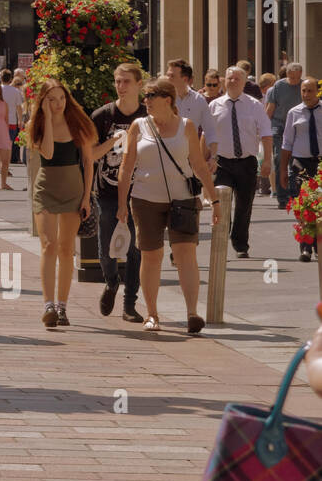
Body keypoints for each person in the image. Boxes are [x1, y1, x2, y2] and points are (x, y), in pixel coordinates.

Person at [115, 78, 220, 333]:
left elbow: (197, 164)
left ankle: (192, 313)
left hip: (182, 200)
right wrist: (121, 205)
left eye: (151, 96)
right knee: (151, 257)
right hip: (145, 200)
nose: (146, 101)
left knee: (186, 255)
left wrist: (214, 199)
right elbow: (126, 168)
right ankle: (152, 314)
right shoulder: (138, 126)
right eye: (146, 96)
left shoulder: (186, 126)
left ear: (168, 99)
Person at [27, 77, 95, 329]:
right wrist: (45, 115)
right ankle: (48, 305)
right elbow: (48, 153)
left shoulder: (78, 123)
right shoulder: (37, 125)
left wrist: (87, 196)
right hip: (46, 189)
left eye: (62, 98)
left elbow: (88, 162)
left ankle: (62, 306)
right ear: (44, 101)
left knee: (67, 249)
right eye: (52, 100)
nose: (58, 104)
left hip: (73, 190)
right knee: (48, 245)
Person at [90, 62, 147, 324]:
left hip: (141, 192)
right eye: (117, 81)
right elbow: (91, 155)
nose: (121, 86)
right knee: (106, 250)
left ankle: (130, 304)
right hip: (107, 191)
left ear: (139, 85)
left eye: (126, 81)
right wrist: (116, 139)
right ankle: (111, 282)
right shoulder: (103, 116)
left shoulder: (148, 116)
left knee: (136, 250)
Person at [207, 66, 273, 259]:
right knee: (221, 202)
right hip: (222, 163)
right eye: (229, 78)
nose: (233, 81)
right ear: (223, 81)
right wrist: (205, 159)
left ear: (244, 82)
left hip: (247, 162)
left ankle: (240, 244)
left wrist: (267, 160)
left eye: (237, 78)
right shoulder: (214, 105)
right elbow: (208, 135)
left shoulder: (255, 105)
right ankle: (220, 241)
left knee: (244, 205)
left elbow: (266, 134)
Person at [280, 77, 322, 262]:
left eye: (309, 91)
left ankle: (318, 245)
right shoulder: (294, 113)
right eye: (303, 91)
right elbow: (287, 142)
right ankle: (305, 247)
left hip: (320, 163)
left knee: (319, 207)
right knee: (303, 207)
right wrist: (282, 170)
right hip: (300, 164)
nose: (306, 94)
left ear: (317, 92)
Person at [266, 63, 304, 211]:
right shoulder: (278, 86)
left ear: (300, 74)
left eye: (296, 77)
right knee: (280, 158)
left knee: (296, 160)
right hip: (279, 125)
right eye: (290, 77)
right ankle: (282, 198)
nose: (293, 80)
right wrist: (263, 129)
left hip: (297, 125)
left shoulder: (304, 86)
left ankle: (294, 194)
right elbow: (270, 109)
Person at [1, 69, 24, 166]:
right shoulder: (15, 91)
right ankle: (6, 165)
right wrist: (20, 120)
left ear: (1, 78)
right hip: (12, 121)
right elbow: (19, 107)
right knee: (9, 144)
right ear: (10, 79)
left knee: (0, 144)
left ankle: (1, 165)